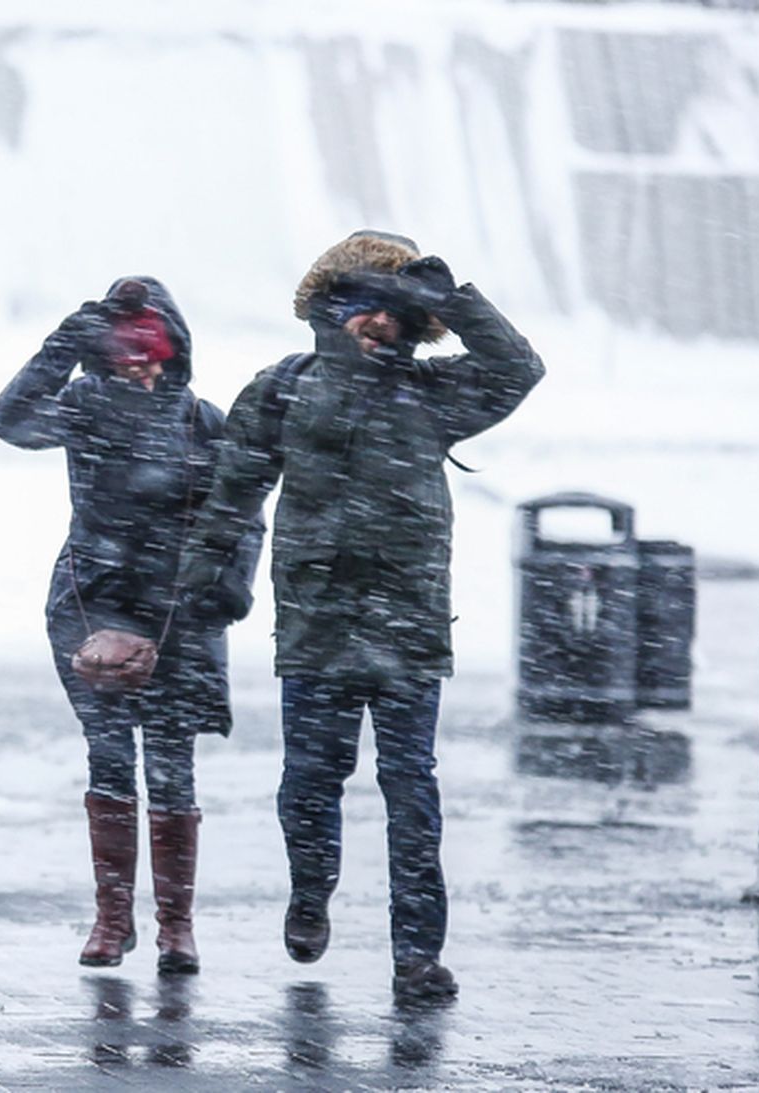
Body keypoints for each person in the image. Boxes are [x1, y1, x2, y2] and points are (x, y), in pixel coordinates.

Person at [177, 231, 544, 1001]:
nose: (382, 324)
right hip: (317, 621)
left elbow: (520, 369)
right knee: (310, 780)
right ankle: (310, 894)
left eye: (399, 314)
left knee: (412, 787)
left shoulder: (436, 395)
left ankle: (417, 954)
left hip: (410, 626)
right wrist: (198, 588)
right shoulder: (282, 388)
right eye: (367, 307)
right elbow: (232, 496)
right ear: (331, 307)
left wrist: (451, 301)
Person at [0, 276, 261, 974]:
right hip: (93, 604)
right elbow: (9, 419)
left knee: (172, 763)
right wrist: (63, 343)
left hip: (180, 610)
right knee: (108, 753)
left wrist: (224, 593)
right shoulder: (83, 406)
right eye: (121, 349)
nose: (138, 362)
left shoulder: (203, 421)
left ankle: (177, 927)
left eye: (152, 348)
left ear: (175, 349)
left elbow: (242, 516)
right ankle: (113, 919)